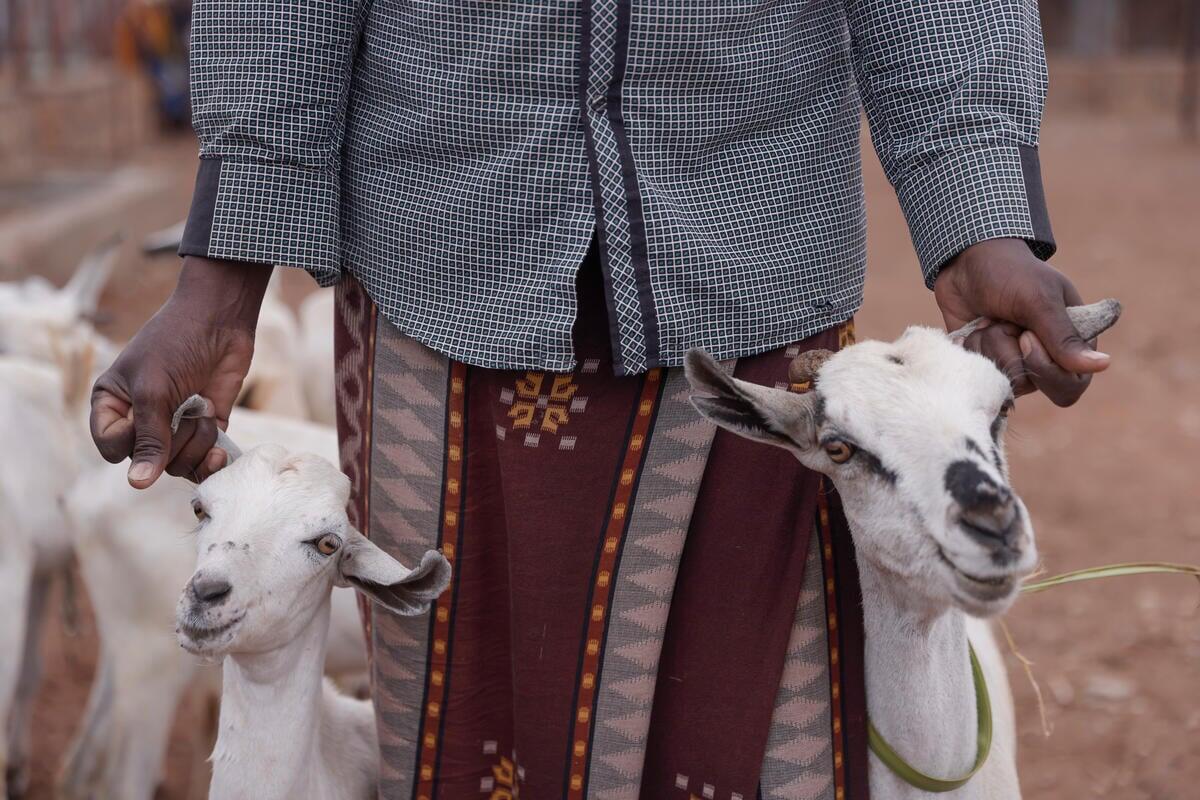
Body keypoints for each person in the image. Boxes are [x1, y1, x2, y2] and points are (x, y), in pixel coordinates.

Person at [91, 2, 1108, 797]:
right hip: (438, 266)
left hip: (756, 262)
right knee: (459, 738)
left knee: (746, 735)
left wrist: (981, 214)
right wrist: (220, 281)